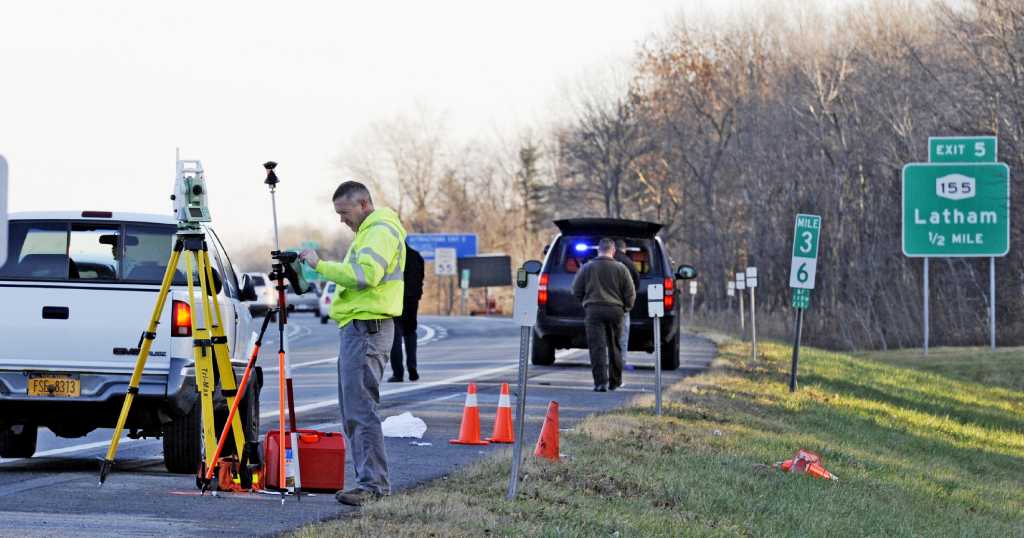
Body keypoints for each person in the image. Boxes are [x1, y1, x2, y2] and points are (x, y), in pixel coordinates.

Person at [299, 180, 406, 507]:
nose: (341, 220)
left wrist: (320, 266)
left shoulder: (379, 231)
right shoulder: (370, 232)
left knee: (360, 410)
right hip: (361, 328)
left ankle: (372, 486)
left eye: (344, 212)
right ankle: (369, 482)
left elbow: (365, 275)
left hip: (367, 329)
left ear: (363, 204)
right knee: (354, 410)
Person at [571, 237, 636, 392]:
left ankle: (600, 383)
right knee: (615, 347)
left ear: (598, 250)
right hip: (616, 311)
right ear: (613, 250)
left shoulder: (587, 267)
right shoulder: (621, 268)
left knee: (597, 347)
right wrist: (626, 308)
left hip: (594, 310)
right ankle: (615, 382)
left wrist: (586, 303)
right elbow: (630, 293)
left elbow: (576, 290)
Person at [388, 241, 424, 382]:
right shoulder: (416, 256)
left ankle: (398, 373)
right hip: (412, 302)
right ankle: (412, 367)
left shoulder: (392, 258)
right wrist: (417, 296)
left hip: (395, 301)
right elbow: (421, 279)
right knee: (410, 333)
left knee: (395, 337)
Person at [613, 239, 639, 370]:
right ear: (625, 249)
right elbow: (636, 284)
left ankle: (606, 361)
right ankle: (621, 361)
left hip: (603, 304)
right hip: (621, 305)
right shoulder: (628, 263)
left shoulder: (604, 261)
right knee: (623, 334)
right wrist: (629, 303)